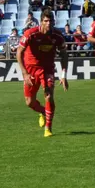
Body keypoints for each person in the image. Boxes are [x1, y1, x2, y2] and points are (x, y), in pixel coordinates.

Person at [16, 10, 69, 138]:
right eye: (46, 21)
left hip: (47, 69)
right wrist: (25, 73)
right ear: (41, 22)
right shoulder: (31, 34)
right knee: (29, 102)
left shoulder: (57, 35)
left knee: (48, 96)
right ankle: (43, 112)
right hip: (31, 70)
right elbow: (19, 52)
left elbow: (64, 55)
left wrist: (64, 75)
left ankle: (48, 128)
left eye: (51, 21)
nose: (48, 23)